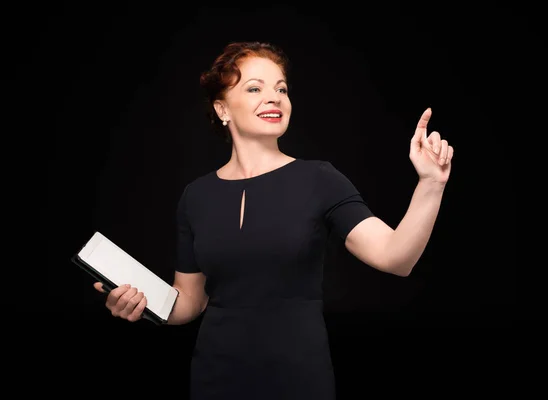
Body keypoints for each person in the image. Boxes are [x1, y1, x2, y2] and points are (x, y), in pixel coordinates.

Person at [92, 41, 454, 399]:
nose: (275, 98)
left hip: (299, 382)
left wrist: (431, 183)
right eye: (255, 88)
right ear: (222, 109)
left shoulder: (320, 179)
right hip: (214, 379)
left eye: (281, 89)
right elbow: (188, 301)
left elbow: (396, 258)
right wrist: (139, 302)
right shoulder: (196, 196)